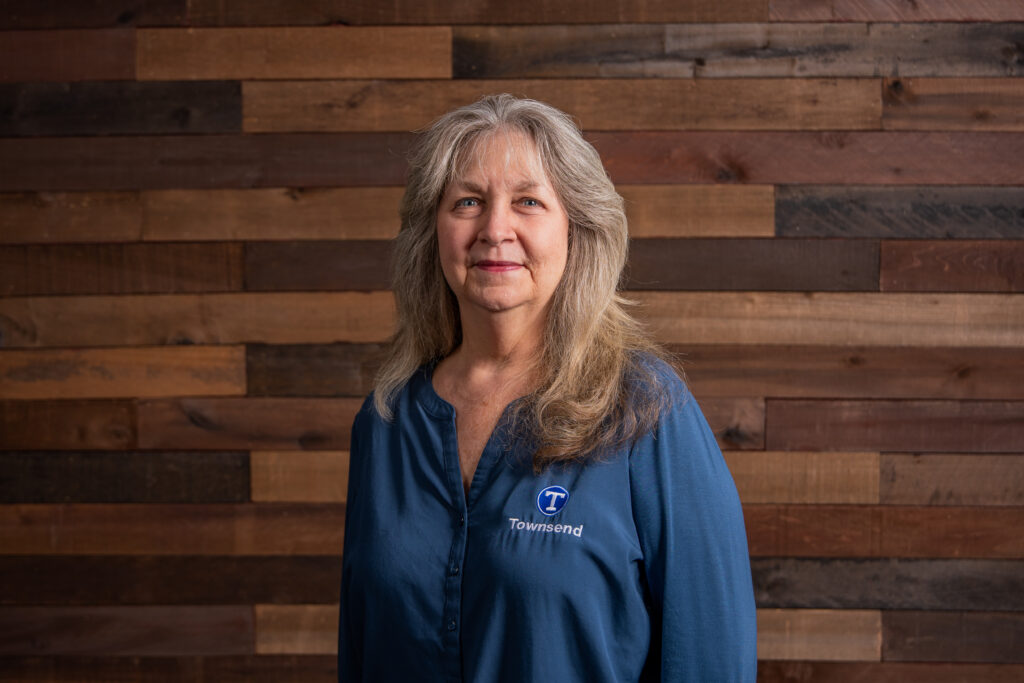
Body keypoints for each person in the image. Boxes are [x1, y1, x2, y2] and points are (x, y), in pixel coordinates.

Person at [338, 94, 756, 682]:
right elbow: (358, 653)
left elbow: (711, 659)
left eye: (528, 201)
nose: (494, 230)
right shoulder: (387, 420)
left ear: (577, 230)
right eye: (468, 202)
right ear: (432, 230)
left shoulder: (644, 411)